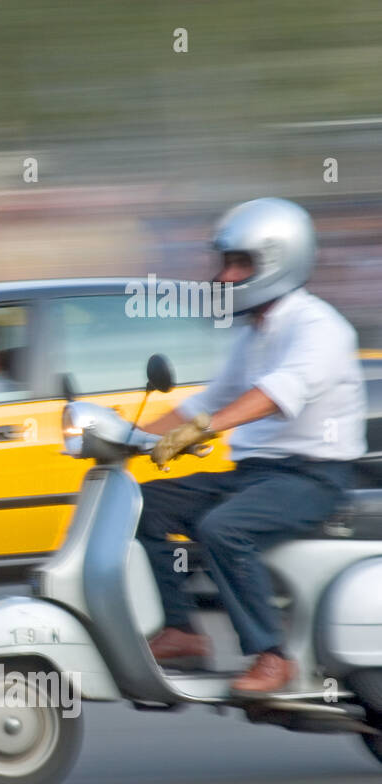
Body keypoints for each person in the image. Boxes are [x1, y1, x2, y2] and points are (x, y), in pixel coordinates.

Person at [138, 198, 365, 694]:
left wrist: (202, 430)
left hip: (312, 477)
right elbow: (208, 400)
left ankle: (270, 654)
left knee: (223, 528)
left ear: (280, 262)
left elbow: (275, 395)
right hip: (255, 474)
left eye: (241, 265)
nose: (225, 277)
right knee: (146, 504)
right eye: (225, 264)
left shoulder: (319, 328)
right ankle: (182, 631)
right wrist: (128, 437)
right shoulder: (254, 332)